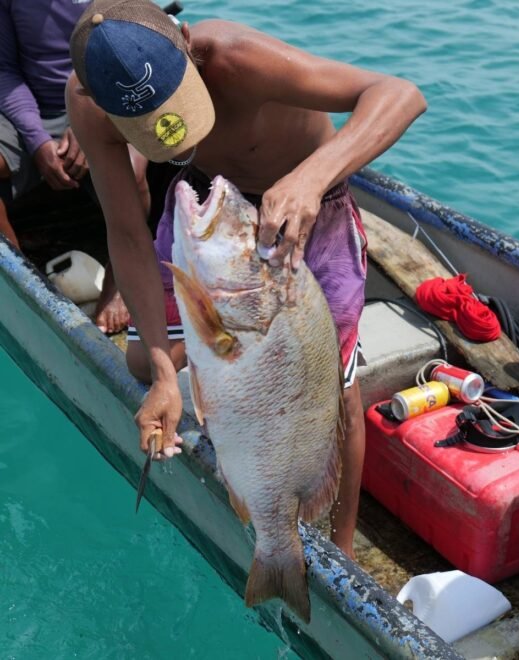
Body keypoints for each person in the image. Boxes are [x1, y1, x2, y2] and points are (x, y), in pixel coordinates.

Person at [66, 0, 426, 557]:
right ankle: (214, 393)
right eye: (154, 130)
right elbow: (127, 233)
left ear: (187, 42)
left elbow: (399, 93)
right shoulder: (87, 105)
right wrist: (165, 374)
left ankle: (344, 546)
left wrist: (311, 178)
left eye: (179, 107)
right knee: (144, 362)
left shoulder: (237, 58)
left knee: (336, 388)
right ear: (93, 99)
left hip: (312, 208)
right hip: (210, 210)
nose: (177, 136)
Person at [0, 0, 141, 334]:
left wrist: (87, 117)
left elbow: (130, 57)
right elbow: (4, 70)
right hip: (31, 111)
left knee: (134, 171)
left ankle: (121, 279)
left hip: (103, 100)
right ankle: (24, 286)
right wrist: (36, 139)